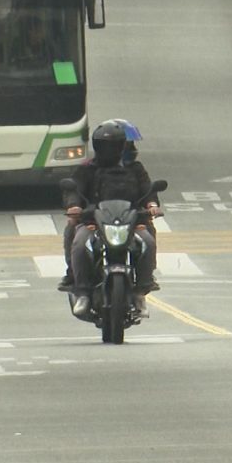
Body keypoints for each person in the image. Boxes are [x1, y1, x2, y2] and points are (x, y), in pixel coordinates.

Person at [64, 120, 162, 318]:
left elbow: (147, 190)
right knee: (79, 243)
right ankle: (81, 289)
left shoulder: (135, 169)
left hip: (131, 221)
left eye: (117, 145)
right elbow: (74, 189)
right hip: (94, 221)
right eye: (107, 146)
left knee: (148, 242)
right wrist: (74, 207)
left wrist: (151, 206)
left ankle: (142, 289)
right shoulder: (87, 169)